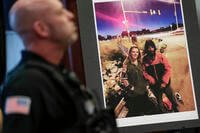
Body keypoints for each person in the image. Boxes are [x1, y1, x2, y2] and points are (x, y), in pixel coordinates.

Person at [0, 0, 117, 133]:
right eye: (60, 12)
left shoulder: (59, 75)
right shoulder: (23, 84)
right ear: (41, 28)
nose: (71, 16)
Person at [142, 40, 178, 113]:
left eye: (152, 47)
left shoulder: (160, 56)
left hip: (165, 84)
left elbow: (168, 69)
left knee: (171, 97)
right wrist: (151, 80)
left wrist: (164, 83)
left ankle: (176, 109)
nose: (151, 49)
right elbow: (144, 72)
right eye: (148, 48)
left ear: (154, 48)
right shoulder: (144, 60)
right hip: (155, 86)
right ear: (146, 49)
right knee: (159, 102)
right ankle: (164, 114)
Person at [121, 46, 158, 117]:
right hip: (134, 94)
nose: (135, 53)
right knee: (138, 114)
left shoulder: (141, 63)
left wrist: (147, 85)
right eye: (133, 52)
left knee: (151, 110)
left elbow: (145, 75)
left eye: (137, 52)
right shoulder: (126, 65)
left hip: (144, 91)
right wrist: (131, 88)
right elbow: (123, 78)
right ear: (130, 53)